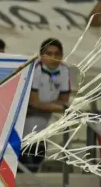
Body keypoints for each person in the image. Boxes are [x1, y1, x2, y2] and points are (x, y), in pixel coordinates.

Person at [21, 38, 71, 172]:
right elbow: (32, 103)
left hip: (44, 124)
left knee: (37, 160)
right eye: (49, 53)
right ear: (42, 55)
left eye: (57, 54)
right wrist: (58, 106)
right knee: (26, 162)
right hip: (26, 123)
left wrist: (44, 106)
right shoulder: (35, 68)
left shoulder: (64, 70)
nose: (53, 57)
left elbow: (64, 100)